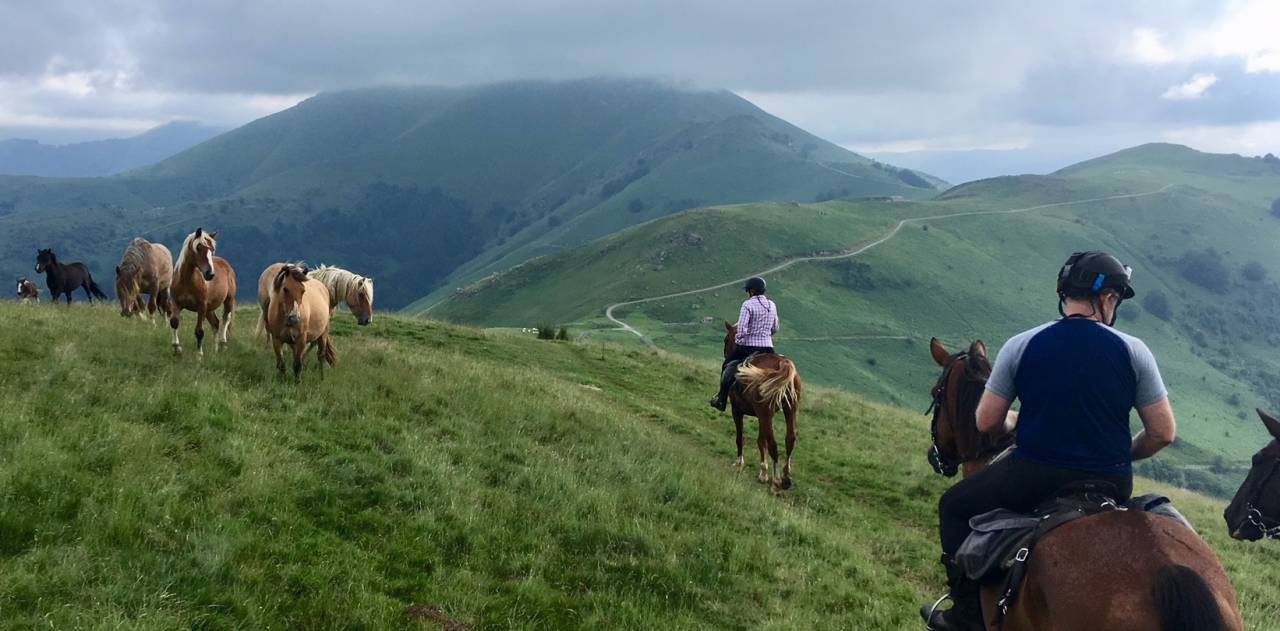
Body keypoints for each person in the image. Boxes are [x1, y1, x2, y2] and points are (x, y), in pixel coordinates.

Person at [922, 251, 1176, 631]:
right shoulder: (1134, 350)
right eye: (1116, 300)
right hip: (1113, 481)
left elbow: (987, 421)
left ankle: (966, 619)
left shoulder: (1022, 344)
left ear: (1064, 293)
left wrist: (1018, 419)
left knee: (953, 507)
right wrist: (1120, 454)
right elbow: (1162, 433)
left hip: (1033, 474)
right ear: (1107, 299)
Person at [709, 276, 779, 411]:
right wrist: (765, 336)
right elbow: (775, 327)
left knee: (727, 366)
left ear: (751, 291)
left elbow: (742, 329)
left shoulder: (747, 305)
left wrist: (740, 341)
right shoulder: (772, 305)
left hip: (748, 347)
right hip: (768, 348)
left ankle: (721, 400)